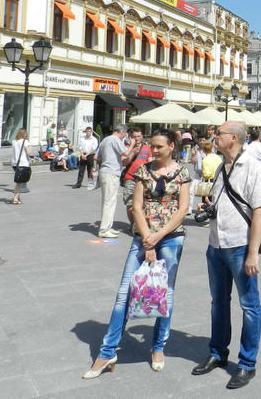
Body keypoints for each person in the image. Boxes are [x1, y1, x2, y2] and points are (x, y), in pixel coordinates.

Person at [83, 129, 190, 379]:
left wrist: (159, 235)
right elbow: (136, 206)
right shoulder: (143, 170)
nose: (153, 150)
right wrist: (148, 241)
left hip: (171, 238)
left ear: (171, 147)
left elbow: (183, 208)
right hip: (143, 238)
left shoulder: (183, 172)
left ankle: (158, 347)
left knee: (165, 294)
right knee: (123, 295)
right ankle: (107, 351)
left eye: (159, 147)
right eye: (152, 146)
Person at [191, 121, 261, 390]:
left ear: (233, 138)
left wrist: (253, 253)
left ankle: (247, 364)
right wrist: (210, 205)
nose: (214, 137)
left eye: (218, 134)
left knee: (249, 306)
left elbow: (260, 209)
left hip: (239, 245)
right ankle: (218, 353)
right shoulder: (223, 166)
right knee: (218, 302)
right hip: (216, 244)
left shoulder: (252, 166)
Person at [96, 124, 128, 238]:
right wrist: (133, 144)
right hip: (111, 172)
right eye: (124, 134)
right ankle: (104, 230)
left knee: (109, 201)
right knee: (109, 202)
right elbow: (126, 153)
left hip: (105, 171)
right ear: (122, 132)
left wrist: (108, 158)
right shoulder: (115, 139)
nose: (124, 137)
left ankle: (107, 227)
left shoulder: (105, 140)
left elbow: (96, 157)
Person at [121, 126, 151, 234]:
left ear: (142, 136)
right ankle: (133, 224)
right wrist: (133, 151)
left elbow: (151, 161)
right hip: (130, 178)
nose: (137, 139)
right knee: (130, 204)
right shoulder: (126, 147)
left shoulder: (147, 148)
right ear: (130, 137)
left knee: (142, 204)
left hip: (144, 179)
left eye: (139, 136)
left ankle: (138, 225)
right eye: (134, 137)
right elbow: (124, 162)